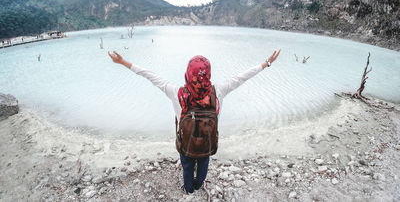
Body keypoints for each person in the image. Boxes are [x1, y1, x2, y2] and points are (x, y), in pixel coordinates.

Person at [108, 49, 281, 193]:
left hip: (186, 146)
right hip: (207, 145)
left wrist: (124, 62)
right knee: (203, 165)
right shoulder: (218, 92)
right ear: (208, 73)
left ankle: (189, 190)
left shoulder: (177, 93)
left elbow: (150, 76)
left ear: (188, 72)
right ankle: (199, 185)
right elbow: (242, 78)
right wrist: (266, 63)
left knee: (187, 167)